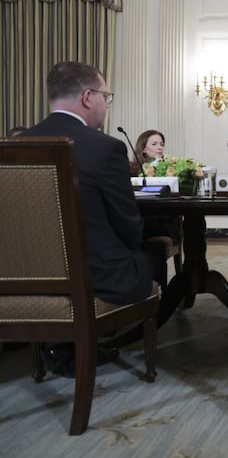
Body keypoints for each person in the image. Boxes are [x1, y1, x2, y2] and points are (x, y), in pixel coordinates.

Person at [21, 61, 163, 376]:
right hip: (97, 280)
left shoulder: (17, 145)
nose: (105, 104)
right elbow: (129, 227)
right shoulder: (104, 148)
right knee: (148, 255)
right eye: (105, 96)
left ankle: (60, 346)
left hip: (26, 278)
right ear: (88, 97)